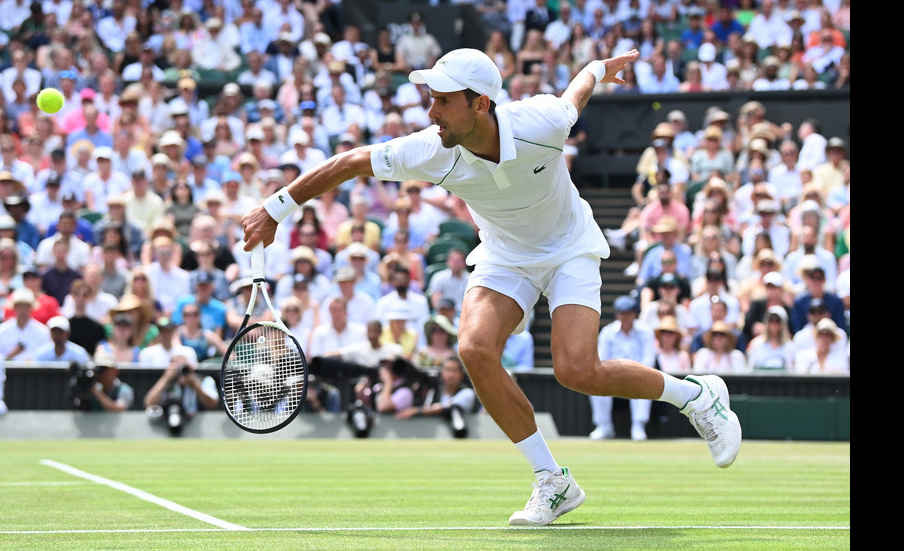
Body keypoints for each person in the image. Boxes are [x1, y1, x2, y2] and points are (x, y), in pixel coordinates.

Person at [237, 47, 742, 526]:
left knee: (576, 370)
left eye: (444, 100)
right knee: (474, 349)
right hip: (505, 255)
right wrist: (274, 208)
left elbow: (575, 96)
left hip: (569, 248)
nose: (432, 112)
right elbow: (349, 162)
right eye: (430, 98)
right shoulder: (427, 149)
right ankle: (552, 480)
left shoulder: (540, 122)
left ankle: (694, 395)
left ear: (480, 104)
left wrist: (596, 67)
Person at [589, 295, 657, 442]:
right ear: (617, 314)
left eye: (628, 313)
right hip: (611, 375)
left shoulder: (646, 331)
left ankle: (638, 426)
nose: (625, 317)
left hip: (639, 375)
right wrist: (613, 374)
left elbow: (648, 358)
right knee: (594, 384)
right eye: (622, 313)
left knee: (645, 383)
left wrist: (637, 373)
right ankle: (604, 425)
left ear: (634, 314)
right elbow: (601, 357)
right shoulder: (608, 332)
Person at [143, 345, 220, 435]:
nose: (180, 373)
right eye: (176, 368)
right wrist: (166, 378)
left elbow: (212, 404)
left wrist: (194, 384)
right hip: (168, 425)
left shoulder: (203, 380)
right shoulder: (167, 382)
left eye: (184, 368)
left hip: (199, 426)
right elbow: (149, 404)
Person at [396, 354, 478, 437]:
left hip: (461, 435)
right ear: (442, 373)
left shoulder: (468, 393)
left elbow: (446, 407)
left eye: (455, 370)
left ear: (461, 374)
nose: (451, 375)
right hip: (431, 435)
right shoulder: (433, 391)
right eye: (448, 370)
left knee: (454, 409)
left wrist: (416, 410)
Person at [0, 288, 52, 362]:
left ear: (31, 308)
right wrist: (12, 354)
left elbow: (46, 358)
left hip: (35, 372)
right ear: (14, 308)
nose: (23, 310)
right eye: (19, 306)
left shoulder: (43, 331)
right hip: (9, 372)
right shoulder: (1, 330)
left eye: (26, 307)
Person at [745, 305, 796, 372]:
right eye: (771, 320)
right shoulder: (756, 343)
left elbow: (792, 370)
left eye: (777, 321)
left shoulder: (790, 346)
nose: (774, 324)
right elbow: (750, 369)